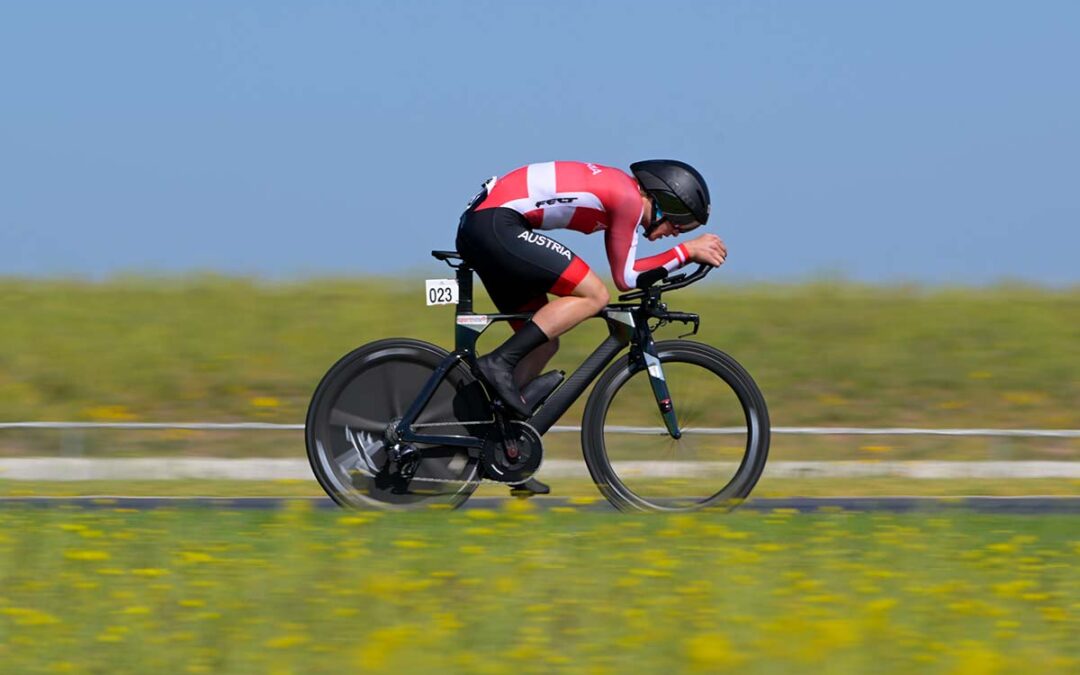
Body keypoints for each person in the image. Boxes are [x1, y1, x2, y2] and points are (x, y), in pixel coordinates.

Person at [456, 160, 727, 493]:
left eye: (683, 232)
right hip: (497, 224)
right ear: (668, 201)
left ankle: (505, 448)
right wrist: (687, 251)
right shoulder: (628, 199)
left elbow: (629, 269)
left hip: (487, 225)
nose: (675, 233)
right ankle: (498, 362)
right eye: (680, 225)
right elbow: (625, 279)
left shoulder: (621, 194)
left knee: (543, 343)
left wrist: (681, 254)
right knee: (595, 295)